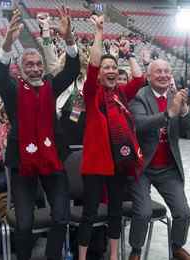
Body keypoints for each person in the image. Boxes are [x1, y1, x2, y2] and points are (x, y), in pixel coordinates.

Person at [0, 6, 80, 260]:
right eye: (29, 64)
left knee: (62, 217)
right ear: (20, 69)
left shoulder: (51, 86)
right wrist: (8, 41)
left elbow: (73, 70)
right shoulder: (12, 90)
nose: (34, 68)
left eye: (38, 64)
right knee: (24, 223)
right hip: (22, 165)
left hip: (53, 162)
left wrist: (69, 39)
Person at [77, 15, 145, 260]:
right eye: (107, 68)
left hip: (119, 163)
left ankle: (114, 256)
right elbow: (93, 64)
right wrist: (99, 32)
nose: (111, 71)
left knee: (116, 212)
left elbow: (138, 79)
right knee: (90, 214)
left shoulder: (120, 94)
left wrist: (129, 55)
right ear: (99, 73)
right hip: (96, 165)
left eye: (114, 68)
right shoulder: (92, 93)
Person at [128, 59, 190, 260]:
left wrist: (183, 110)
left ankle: (176, 248)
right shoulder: (140, 97)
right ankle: (136, 250)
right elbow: (139, 124)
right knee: (143, 213)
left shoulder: (175, 97)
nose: (164, 75)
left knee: (183, 213)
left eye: (167, 71)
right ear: (148, 77)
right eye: (158, 71)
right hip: (143, 167)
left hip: (168, 169)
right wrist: (169, 113)